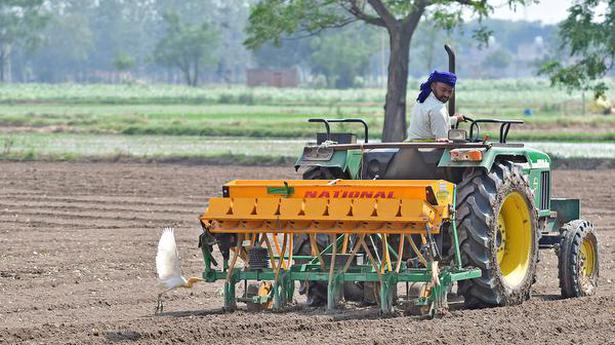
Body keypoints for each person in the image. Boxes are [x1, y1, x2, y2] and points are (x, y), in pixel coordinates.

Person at [406, 70, 465, 141]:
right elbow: (443, 140)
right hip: (428, 150)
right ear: (433, 85)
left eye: (450, 91)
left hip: (413, 147)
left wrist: (455, 119)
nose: (446, 95)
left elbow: (435, 121)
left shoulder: (423, 99)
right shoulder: (437, 108)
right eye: (443, 90)